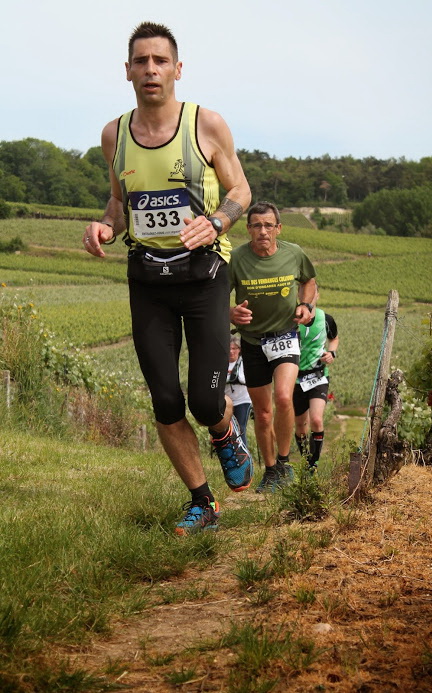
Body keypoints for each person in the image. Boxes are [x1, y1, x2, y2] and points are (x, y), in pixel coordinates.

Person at [82, 22, 253, 535]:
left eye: (160, 61)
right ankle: (203, 503)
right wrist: (105, 227)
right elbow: (119, 202)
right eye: (141, 61)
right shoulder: (114, 134)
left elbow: (241, 190)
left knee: (204, 402)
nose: (150, 69)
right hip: (148, 282)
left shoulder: (206, 124)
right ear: (128, 71)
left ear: (177, 69)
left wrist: (217, 222)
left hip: (204, 279)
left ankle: (224, 431)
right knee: (164, 399)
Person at [229, 201, 317, 493]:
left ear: (278, 228)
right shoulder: (237, 258)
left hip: (285, 335)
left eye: (268, 225)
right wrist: (230, 312)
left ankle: (285, 461)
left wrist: (306, 304)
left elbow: (309, 281)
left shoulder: (294, 253)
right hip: (252, 341)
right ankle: (270, 470)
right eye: (256, 225)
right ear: (248, 229)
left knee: (283, 397)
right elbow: (216, 296)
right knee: (263, 412)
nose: (262, 231)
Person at [293, 284, 339, 473]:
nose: (309, 297)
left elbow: (334, 338)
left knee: (317, 420)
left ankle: (314, 464)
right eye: (305, 294)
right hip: (295, 380)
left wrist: (332, 353)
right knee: (300, 427)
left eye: (313, 294)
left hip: (319, 376)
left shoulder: (325, 319)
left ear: (317, 296)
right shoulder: (291, 319)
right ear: (299, 295)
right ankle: (305, 461)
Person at [225, 335, 252, 448]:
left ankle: (243, 453)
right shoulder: (221, 363)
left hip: (243, 400)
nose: (231, 351)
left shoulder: (244, 362)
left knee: (240, 427)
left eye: (234, 348)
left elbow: (244, 379)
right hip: (226, 401)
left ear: (239, 349)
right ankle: (229, 452)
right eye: (229, 348)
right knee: (226, 428)